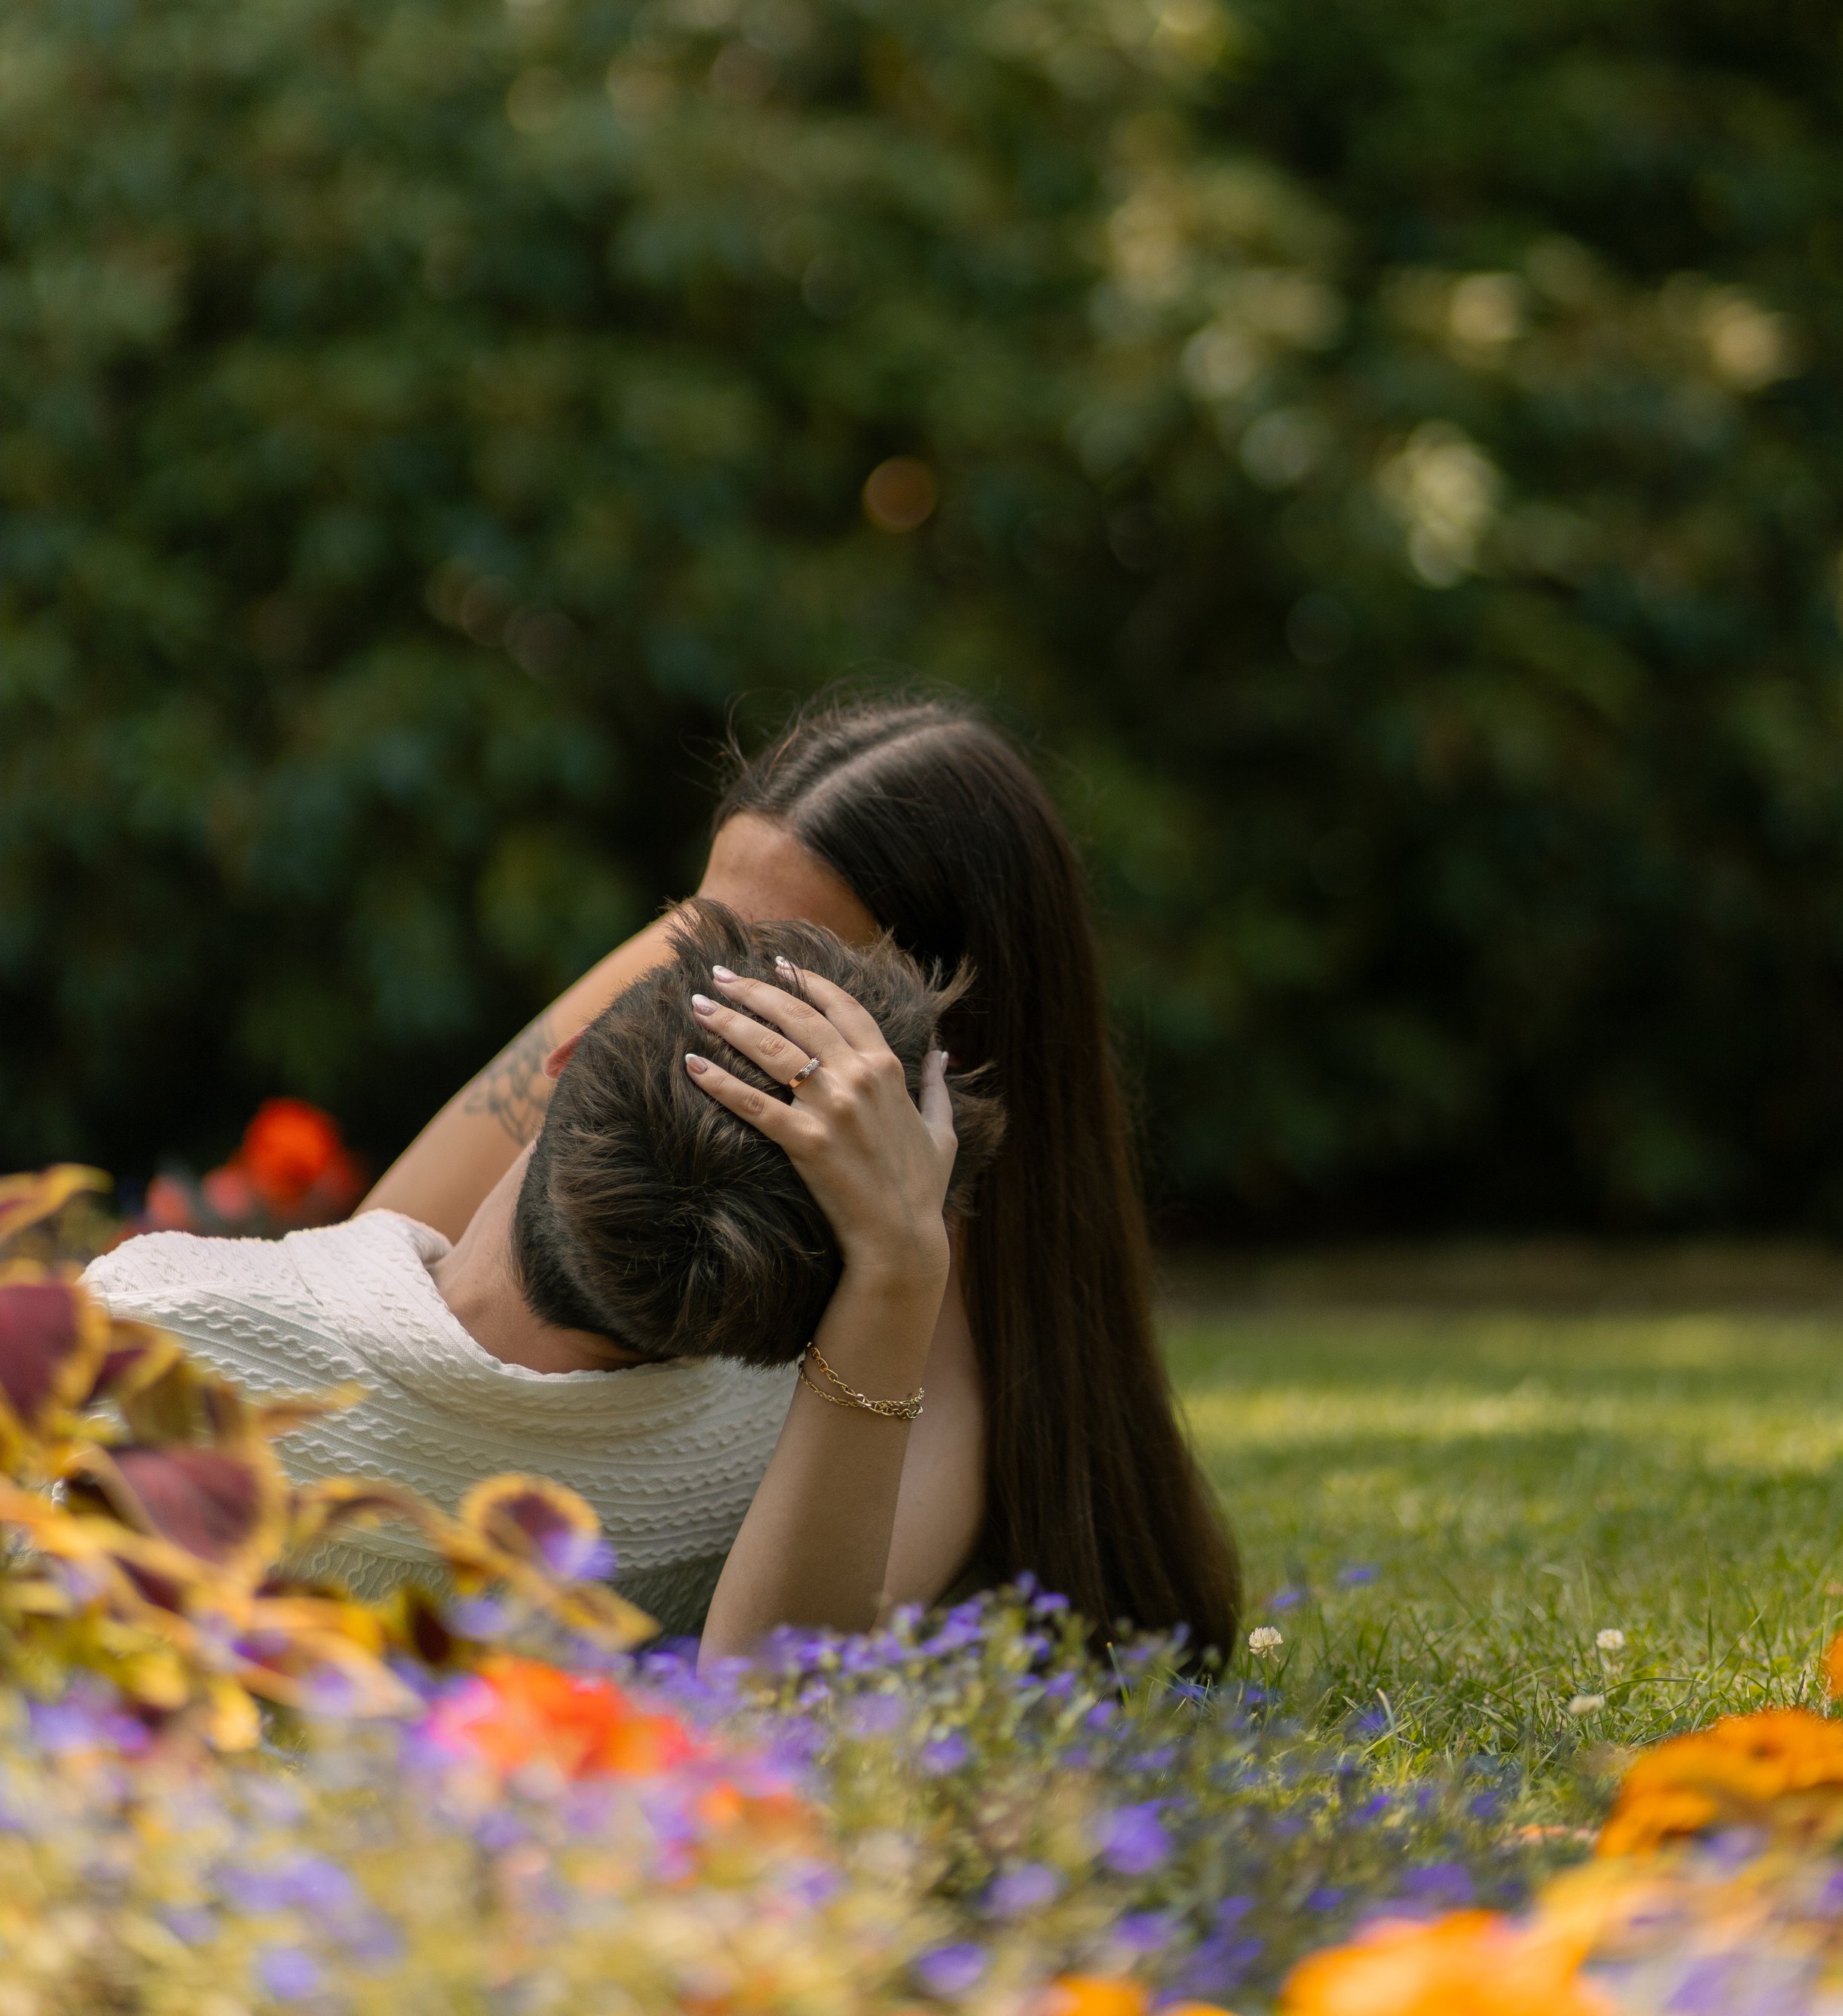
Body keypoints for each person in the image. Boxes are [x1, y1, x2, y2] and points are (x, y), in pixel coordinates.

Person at [369, 691, 1241, 1659]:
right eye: (696, 938)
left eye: (772, 965)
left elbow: (762, 1685)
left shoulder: (973, 1323)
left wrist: (898, 1269)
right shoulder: (694, 1001)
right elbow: (366, 1260)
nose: (700, 992)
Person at [87, 910, 996, 1649]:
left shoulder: (159, 1326)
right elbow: (776, 1716)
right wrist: (899, 1266)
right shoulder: (785, 1491)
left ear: (560, 1061)